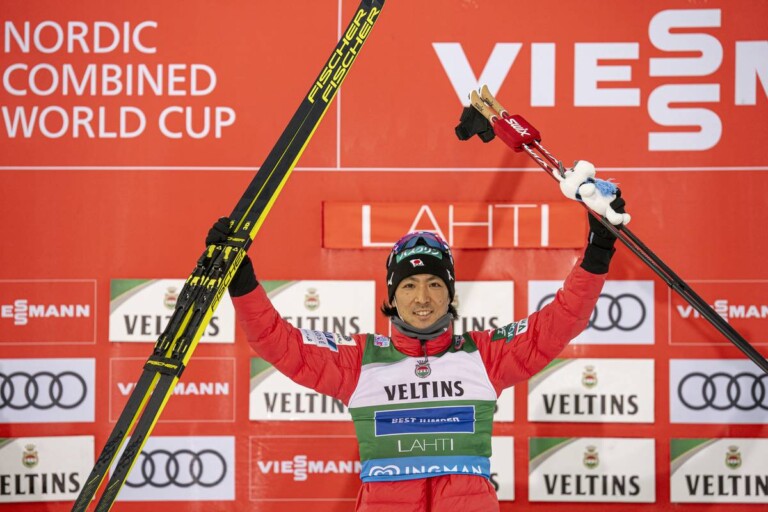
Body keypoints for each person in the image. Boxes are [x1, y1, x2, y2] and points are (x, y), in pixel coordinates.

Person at [207, 191, 627, 512]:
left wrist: (597, 254)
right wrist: (242, 282)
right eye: (408, 285)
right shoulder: (360, 360)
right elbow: (277, 342)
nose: (422, 298)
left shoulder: (483, 355)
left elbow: (559, 321)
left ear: (450, 294)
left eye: (434, 284)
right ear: (393, 295)